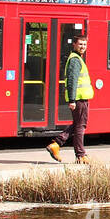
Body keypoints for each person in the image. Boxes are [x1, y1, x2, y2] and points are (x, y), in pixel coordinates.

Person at [48, 36, 94, 165]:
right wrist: (72, 100)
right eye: (80, 44)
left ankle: (56, 144)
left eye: (84, 44)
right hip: (79, 99)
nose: (83, 46)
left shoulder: (77, 58)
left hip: (80, 98)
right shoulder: (75, 60)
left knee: (77, 124)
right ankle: (80, 155)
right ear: (74, 44)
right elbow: (73, 80)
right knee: (80, 126)